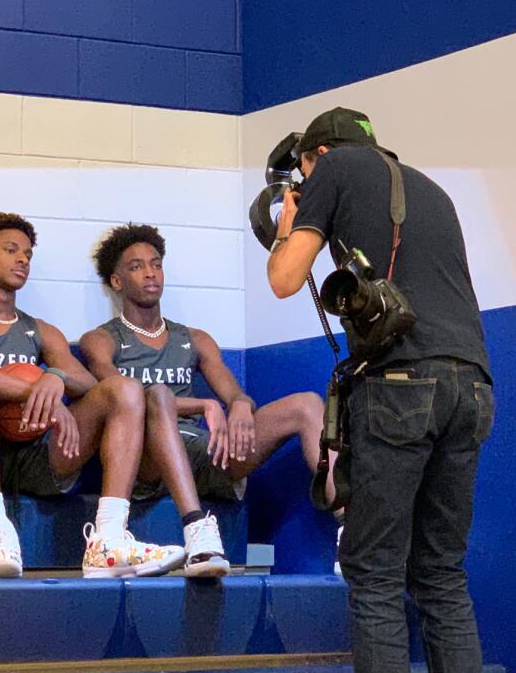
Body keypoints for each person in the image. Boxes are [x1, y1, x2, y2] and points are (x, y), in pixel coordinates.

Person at [266, 108, 501, 673]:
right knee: (443, 574)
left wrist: (290, 223)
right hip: (472, 386)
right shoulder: (430, 187)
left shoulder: (332, 169)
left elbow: (285, 278)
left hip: (401, 385)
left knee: (372, 570)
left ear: (316, 156)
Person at [0, 212, 185, 579]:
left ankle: (108, 539)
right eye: (11, 250)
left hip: (32, 455)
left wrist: (56, 378)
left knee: (123, 389)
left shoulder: (40, 330)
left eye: (28, 254)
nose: (22, 260)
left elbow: (88, 384)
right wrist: (37, 389)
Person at [80, 223, 331, 577]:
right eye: (136, 266)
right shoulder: (101, 339)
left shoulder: (194, 338)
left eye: (155, 263)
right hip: (145, 460)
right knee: (157, 396)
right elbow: (123, 394)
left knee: (306, 404)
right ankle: (196, 528)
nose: (150, 272)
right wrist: (204, 405)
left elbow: (234, 393)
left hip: (200, 451)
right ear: (117, 281)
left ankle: (349, 526)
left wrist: (240, 406)